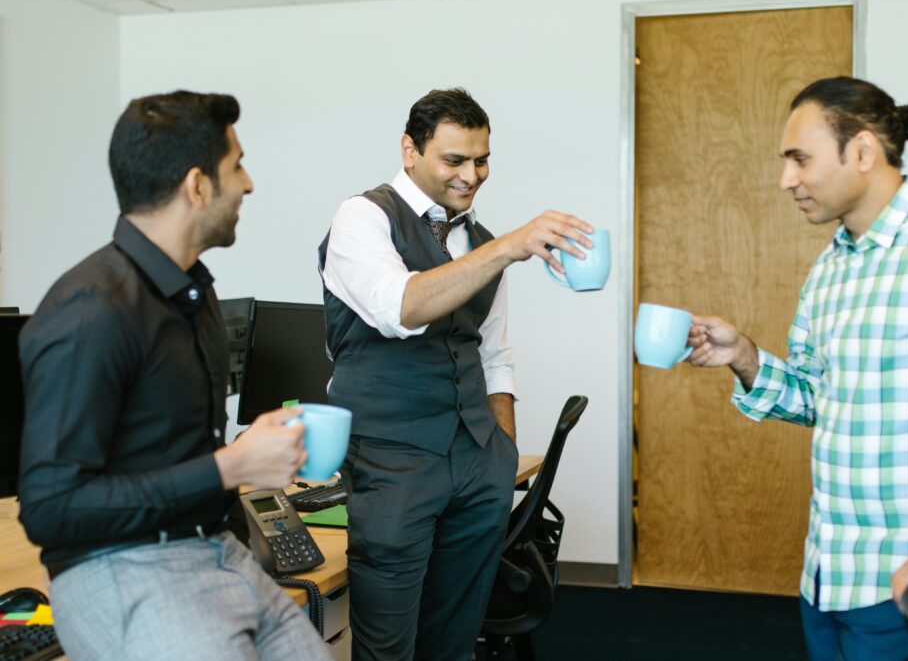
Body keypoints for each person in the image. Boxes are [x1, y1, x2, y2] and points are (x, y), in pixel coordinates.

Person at [686, 77, 908, 660]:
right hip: (829, 571)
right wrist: (741, 355)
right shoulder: (830, 269)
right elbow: (819, 397)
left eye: (800, 159)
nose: (786, 179)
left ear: (863, 152)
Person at [18, 91, 331, 661]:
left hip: (217, 551)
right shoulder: (89, 310)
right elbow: (50, 507)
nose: (249, 183)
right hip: (124, 569)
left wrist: (252, 450)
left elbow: (173, 456)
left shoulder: (193, 292)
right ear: (197, 185)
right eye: (236, 165)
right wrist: (231, 466)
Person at [318, 87, 592, 660]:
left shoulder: (481, 243)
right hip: (392, 462)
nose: (472, 175)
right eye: (454, 160)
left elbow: (494, 356)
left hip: (475, 466)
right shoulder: (362, 217)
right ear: (409, 151)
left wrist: (500, 454)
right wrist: (509, 248)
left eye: (482, 159)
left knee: (455, 644)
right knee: (388, 648)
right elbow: (401, 308)